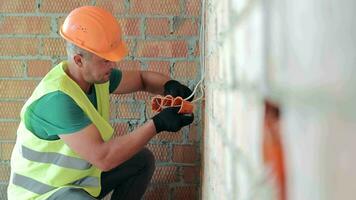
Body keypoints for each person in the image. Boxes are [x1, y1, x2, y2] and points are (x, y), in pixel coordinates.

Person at [7, 6, 194, 200]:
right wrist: (159, 123)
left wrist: (169, 85)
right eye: (105, 60)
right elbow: (103, 158)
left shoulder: (95, 78)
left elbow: (142, 79)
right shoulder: (57, 100)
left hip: (77, 181)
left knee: (141, 160)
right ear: (79, 60)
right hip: (42, 194)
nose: (112, 65)